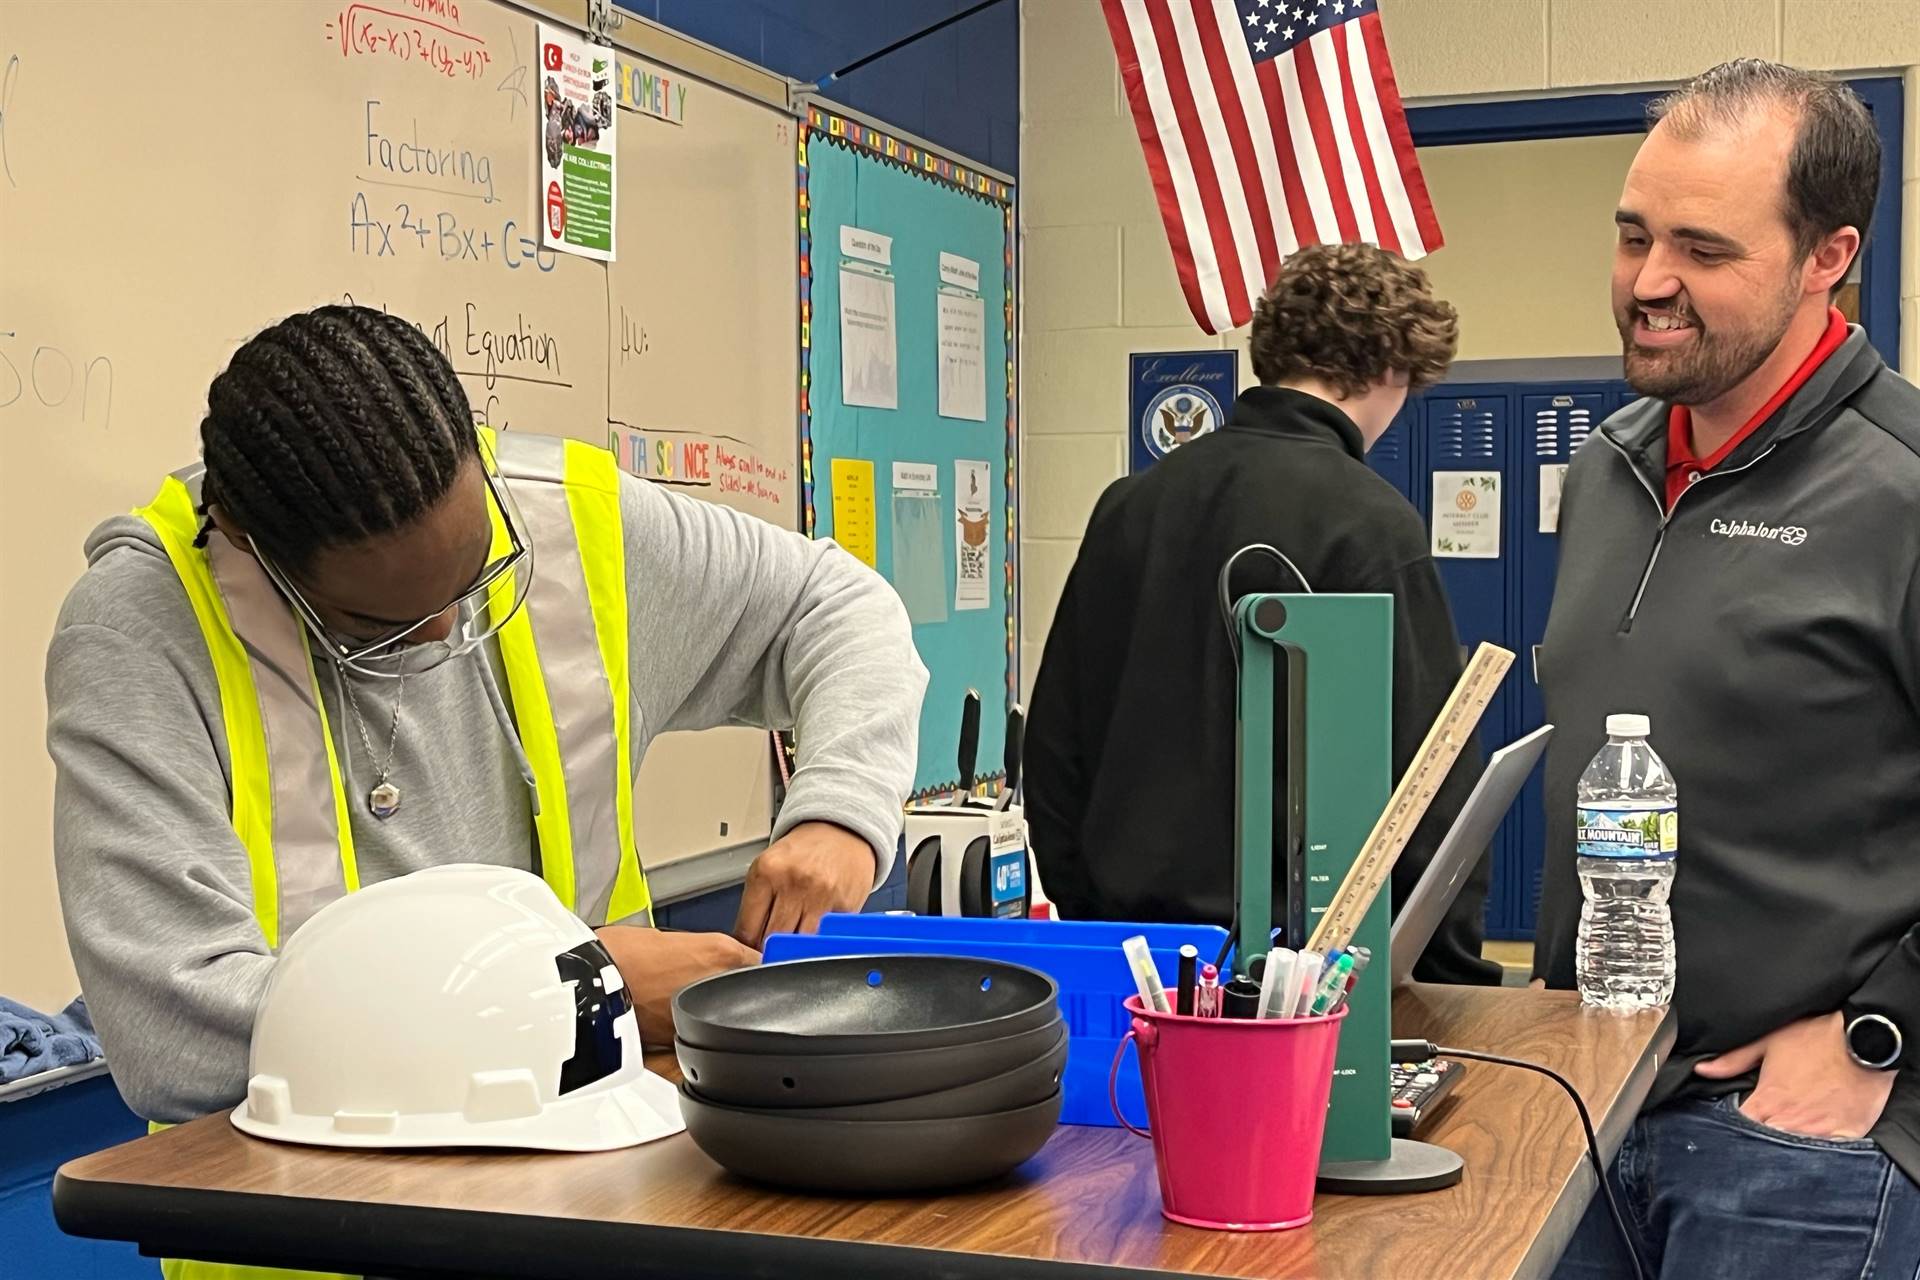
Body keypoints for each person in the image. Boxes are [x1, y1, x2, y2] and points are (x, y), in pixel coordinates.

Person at [47, 304, 928, 1131]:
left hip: (599, 1191)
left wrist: (839, 811)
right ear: (248, 545)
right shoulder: (141, 634)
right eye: (379, 628)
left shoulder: (568, 519)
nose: (447, 632)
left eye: (476, 577)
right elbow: (177, 1035)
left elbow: (838, 608)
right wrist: (578, 990)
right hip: (316, 1235)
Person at [1537, 60, 1920, 1276]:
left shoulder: (1904, 487)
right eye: (1635, 235)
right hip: (1579, 1108)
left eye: (1704, 250)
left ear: (1828, 257)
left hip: (1797, 1150)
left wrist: (1881, 1034)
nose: (1650, 282)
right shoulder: (1606, 468)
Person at [1025, 242, 1501, 986]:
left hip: (1133, 963)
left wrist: (1094, 920)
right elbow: (1430, 775)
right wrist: (1444, 973)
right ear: (1389, 369)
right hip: (1301, 981)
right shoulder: (1373, 523)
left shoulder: (1129, 507)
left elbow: (1055, 749)